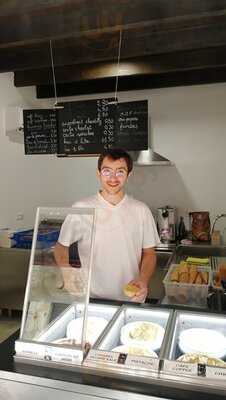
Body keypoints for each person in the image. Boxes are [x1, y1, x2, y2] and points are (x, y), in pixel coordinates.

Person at [54, 148, 160, 302]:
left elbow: (149, 253)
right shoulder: (82, 208)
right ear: (98, 173)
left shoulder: (141, 210)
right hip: (91, 298)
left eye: (120, 172)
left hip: (132, 298)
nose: (113, 178)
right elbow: (60, 247)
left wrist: (143, 280)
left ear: (129, 175)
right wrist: (67, 273)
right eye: (107, 171)